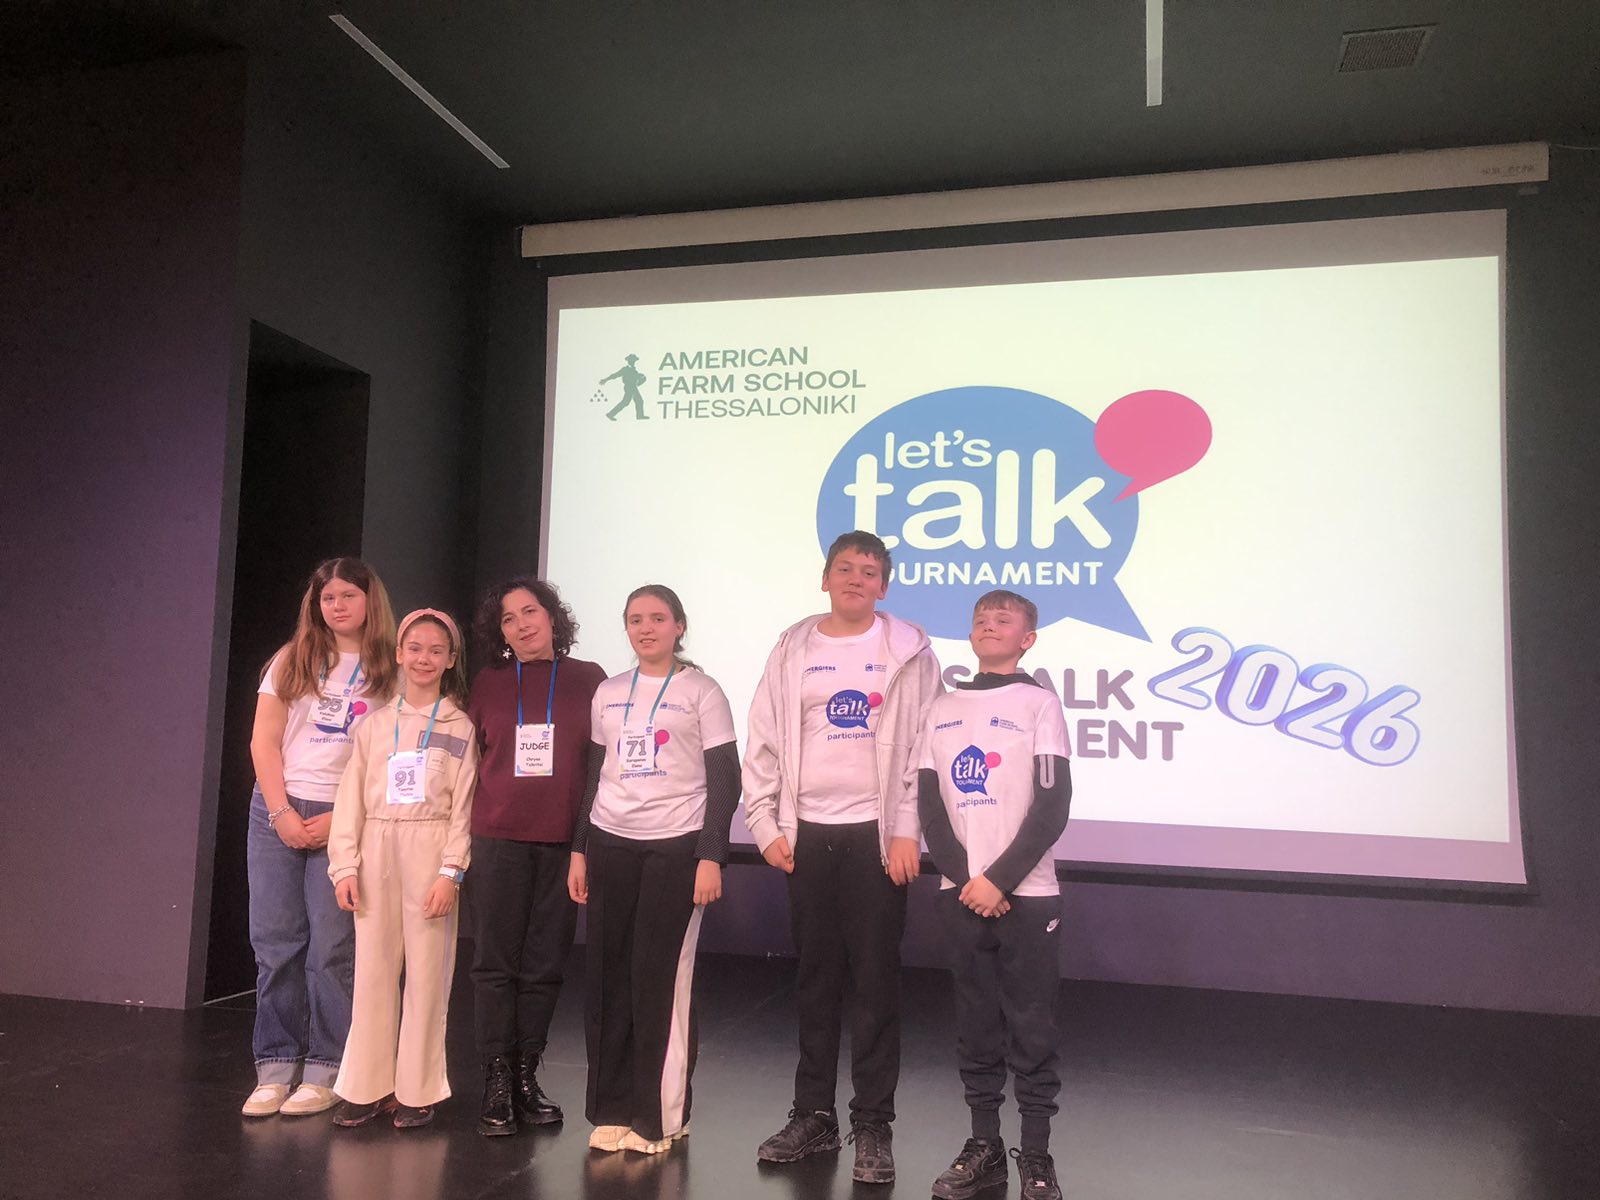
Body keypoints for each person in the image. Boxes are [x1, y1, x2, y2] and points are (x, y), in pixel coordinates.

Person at [743, 531, 942, 1184]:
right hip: (807, 835)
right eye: (846, 568)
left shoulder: (909, 651)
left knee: (876, 984)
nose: (857, 578)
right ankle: (813, 1116)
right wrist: (764, 822)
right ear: (824, 578)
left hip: (875, 840)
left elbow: (927, 746)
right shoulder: (792, 648)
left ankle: (873, 1125)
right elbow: (764, 739)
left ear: (884, 586)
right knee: (816, 981)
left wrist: (908, 829)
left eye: (870, 571)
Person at [567, 585, 741, 1154]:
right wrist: (580, 847)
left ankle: (659, 1116)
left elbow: (725, 779)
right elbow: (595, 773)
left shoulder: (701, 691)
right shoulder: (609, 692)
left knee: (658, 978)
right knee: (607, 976)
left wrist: (711, 854)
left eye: (658, 618)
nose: (646, 628)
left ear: (679, 626)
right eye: (636, 619)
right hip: (610, 841)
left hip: (676, 846)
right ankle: (612, 1108)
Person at [916, 591, 1072, 1200]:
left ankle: (1036, 1153)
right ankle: (984, 1145)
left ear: (1027, 639)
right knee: (974, 1024)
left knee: (1032, 1025)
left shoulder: (1040, 704)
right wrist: (967, 880)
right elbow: (930, 806)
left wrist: (998, 881)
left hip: (1027, 896)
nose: (989, 624)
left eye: (1004, 620)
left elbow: (1051, 807)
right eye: (982, 618)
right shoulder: (941, 707)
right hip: (961, 893)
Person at [241, 558, 398, 1119]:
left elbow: (394, 756)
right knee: (275, 943)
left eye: (348, 595)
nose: (337, 606)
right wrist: (281, 811)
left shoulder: (392, 667)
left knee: (332, 950)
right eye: (327, 597)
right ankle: (275, 1066)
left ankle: (327, 1069)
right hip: (278, 810)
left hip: (347, 816)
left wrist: (342, 817)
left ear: (369, 600)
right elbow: (263, 741)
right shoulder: (293, 659)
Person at [326, 608, 479, 1130]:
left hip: (429, 849)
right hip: (377, 848)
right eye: (415, 648)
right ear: (398, 653)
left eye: (436, 650)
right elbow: (350, 800)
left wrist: (450, 871)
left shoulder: (460, 726)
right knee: (372, 973)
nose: (424, 659)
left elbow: (464, 808)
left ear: (451, 659)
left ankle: (417, 1088)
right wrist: (345, 866)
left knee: (428, 976)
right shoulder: (374, 725)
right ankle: (366, 1086)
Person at [465, 578, 606, 1135]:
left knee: (545, 967)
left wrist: (583, 845)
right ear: (499, 632)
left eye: (530, 611)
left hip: (562, 844)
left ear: (552, 617)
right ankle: (497, 1081)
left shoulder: (589, 679)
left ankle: (526, 1077)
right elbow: (469, 761)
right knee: (495, 964)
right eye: (508, 619)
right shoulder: (488, 682)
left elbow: (599, 768)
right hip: (497, 838)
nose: (522, 624)